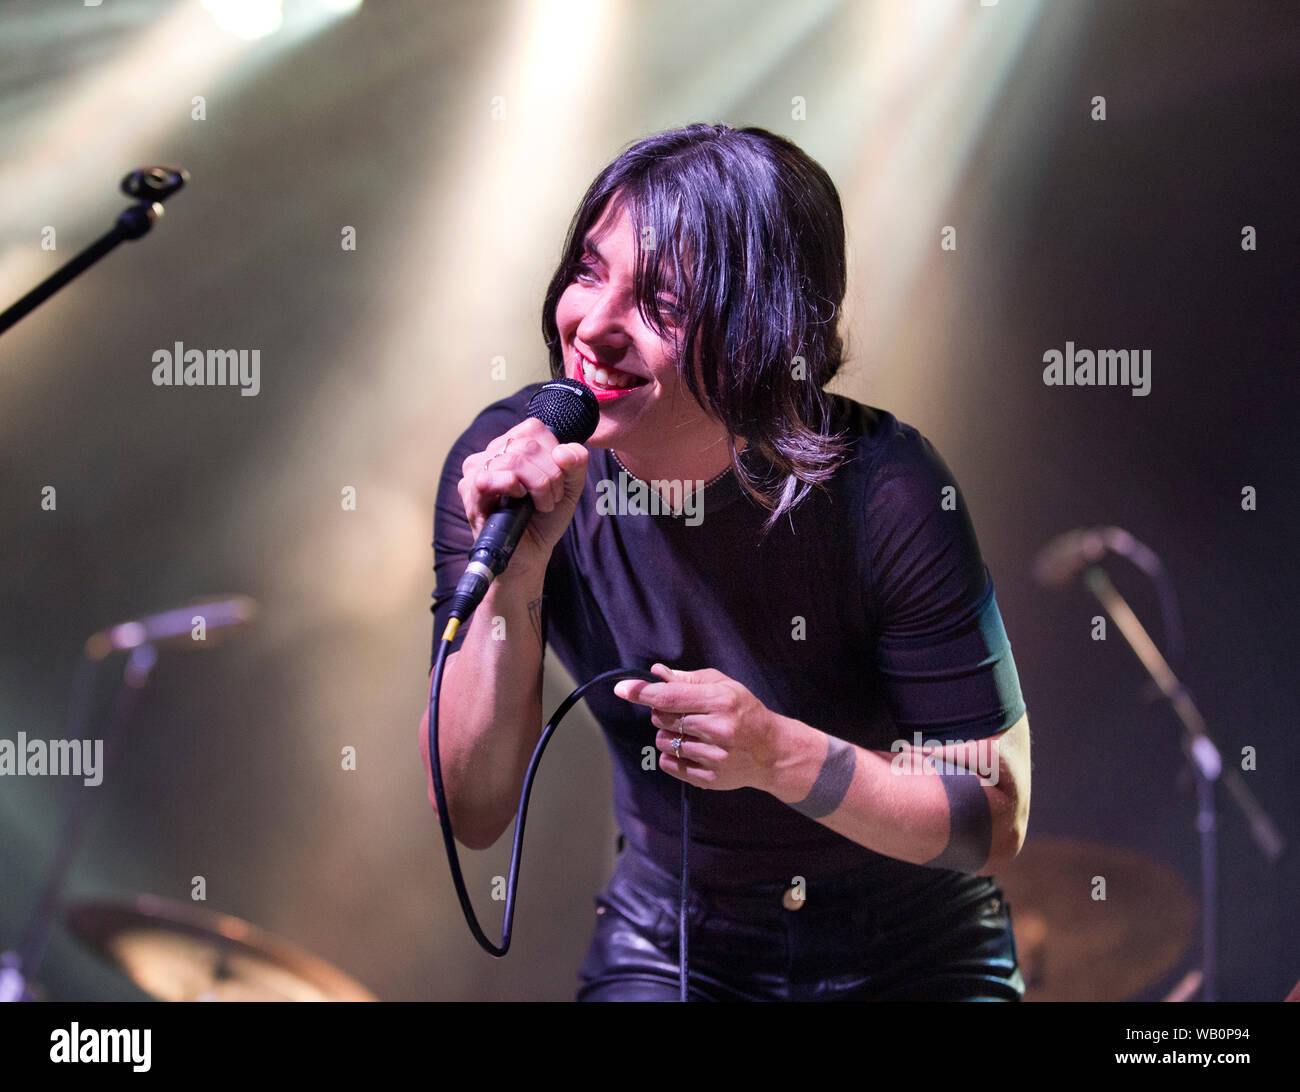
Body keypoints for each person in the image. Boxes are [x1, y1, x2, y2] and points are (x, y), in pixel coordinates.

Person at [421, 123, 1031, 1001]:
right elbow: (470, 812)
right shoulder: (510, 463)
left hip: (908, 941)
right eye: (590, 272)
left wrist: (779, 754)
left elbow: (992, 816)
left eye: (661, 302)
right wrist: (516, 577)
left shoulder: (886, 490)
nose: (592, 326)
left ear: (758, 328)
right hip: (673, 935)